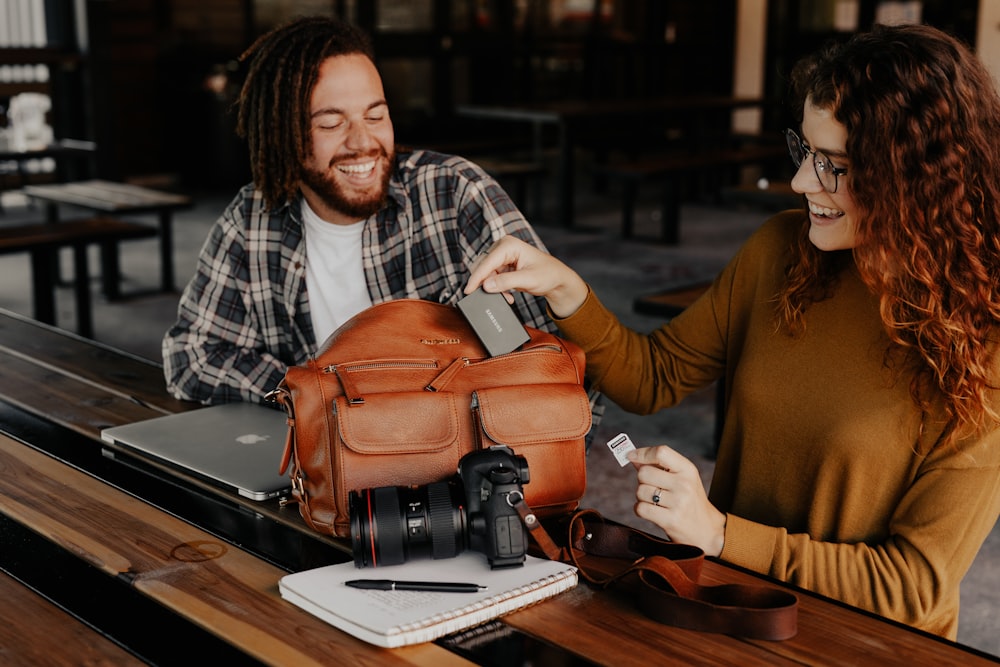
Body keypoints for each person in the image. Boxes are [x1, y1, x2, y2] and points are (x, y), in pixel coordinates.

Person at [465, 23, 1000, 639]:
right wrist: (567, 289)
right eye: (806, 151)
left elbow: (913, 588)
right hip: (730, 615)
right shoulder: (782, 250)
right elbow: (653, 378)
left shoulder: (981, 344)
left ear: (916, 180)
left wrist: (720, 533)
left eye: (838, 167)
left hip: (867, 648)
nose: (802, 183)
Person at [162, 16, 588, 414]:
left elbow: (557, 362)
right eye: (331, 124)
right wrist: (315, 394)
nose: (364, 142)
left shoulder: (453, 194)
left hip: (463, 462)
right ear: (282, 136)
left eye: (375, 114)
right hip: (332, 469)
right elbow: (191, 357)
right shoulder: (254, 219)